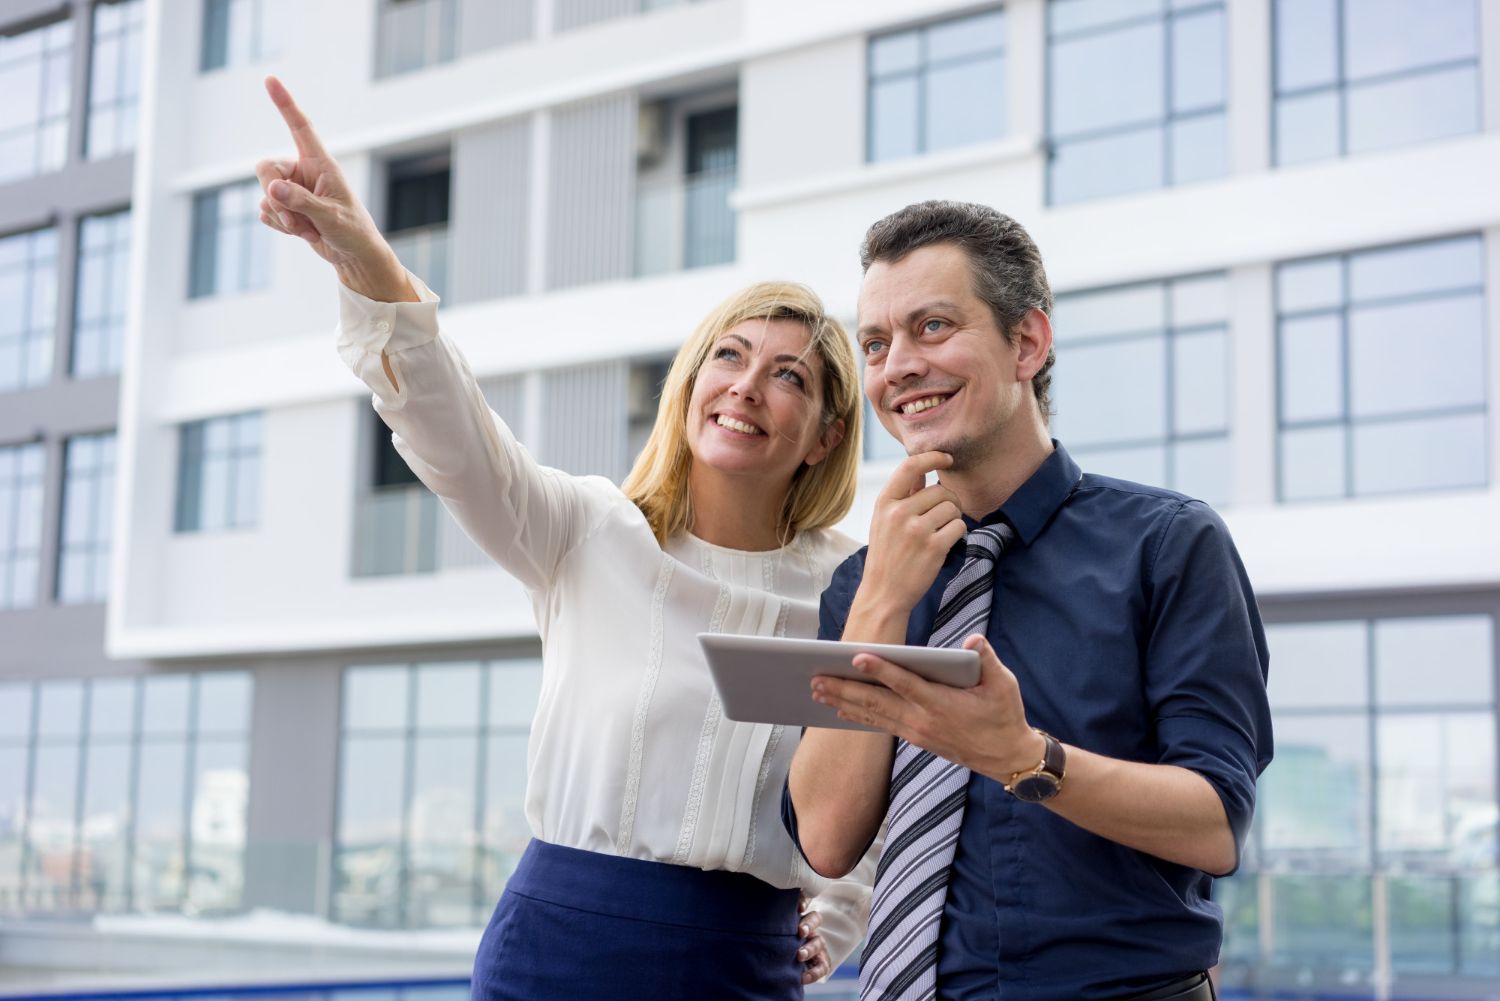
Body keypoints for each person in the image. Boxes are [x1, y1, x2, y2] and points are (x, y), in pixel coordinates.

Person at [254, 76, 876, 999]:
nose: (747, 386)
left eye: (789, 376)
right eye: (730, 356)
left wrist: (833, 916)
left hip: (739, 963)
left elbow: (870, 785)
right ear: (692, 381)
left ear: (826, 433)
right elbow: (449, 428)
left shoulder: (854, 591)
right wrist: (364, 252)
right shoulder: (589, 530)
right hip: (554, 946)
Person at [784, 201, 1273, 1001]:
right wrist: (879, 600)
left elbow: (1215, 824)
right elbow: (829, 840)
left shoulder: (1171, 545)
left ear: (1027, 343)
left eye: (932, 326)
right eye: (876, 343)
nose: (896, 364)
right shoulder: (866, 582)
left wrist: (1022, 757)